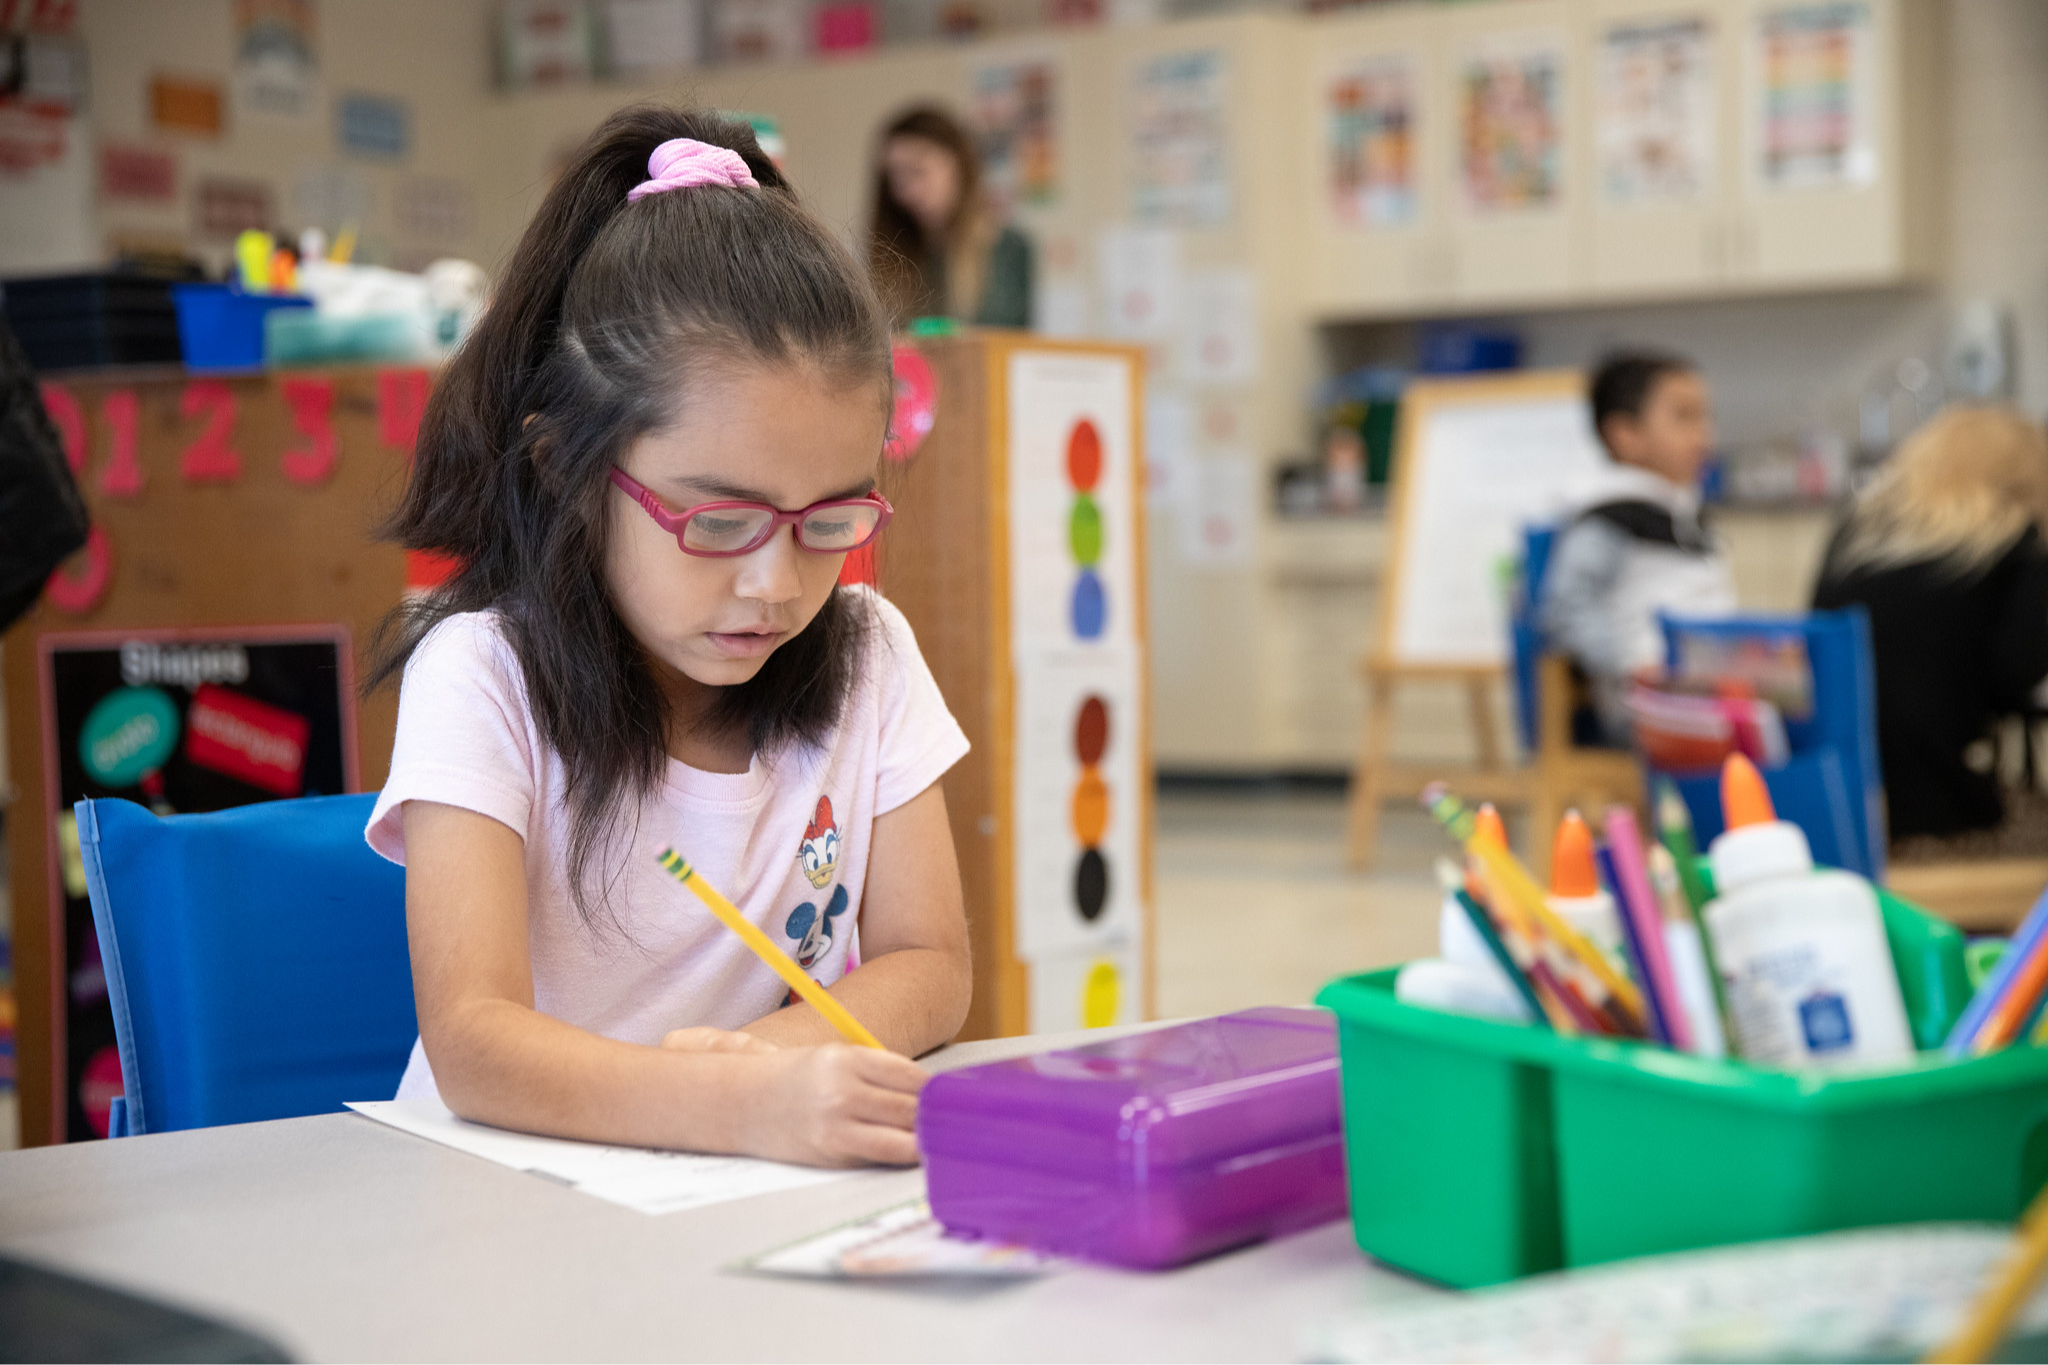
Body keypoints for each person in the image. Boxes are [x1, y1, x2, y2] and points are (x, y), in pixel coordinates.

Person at [363, 107, 974, 1170]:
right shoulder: (480, 674)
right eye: (719, 522)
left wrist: (755, 1065)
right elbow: (473, 1042)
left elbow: (930, 963)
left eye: (829, 521)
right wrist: (736, 1103)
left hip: (721, 1184)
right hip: (498, 1199)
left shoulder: (868, 653)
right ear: (566, 468)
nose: (774, 583)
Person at [1812, 405, 2048, 841]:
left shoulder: (1854, 533)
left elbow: (1819, 640)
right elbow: (2021, 676)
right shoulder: (2013, 543)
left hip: (1844, 798)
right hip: (1944, 807)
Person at [1540, 351, 1737, 745]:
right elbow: (1567, 605)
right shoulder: (1610, 517)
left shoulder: (1680, 510)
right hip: (1649, 706)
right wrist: (1631, 665)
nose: (1704, 436)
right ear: (1625, 435)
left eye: (1705, 417)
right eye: (1684, 417)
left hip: (1705, 689)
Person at [867, 105, 1032, 329]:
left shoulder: (1009, 248)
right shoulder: (891, 253)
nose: (908, 191)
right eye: (895, 177)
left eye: (918, 171)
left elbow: (1006, 342)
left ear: (958, 166)